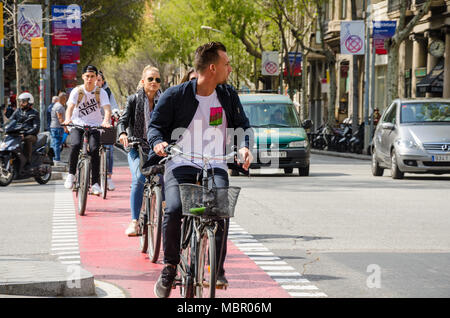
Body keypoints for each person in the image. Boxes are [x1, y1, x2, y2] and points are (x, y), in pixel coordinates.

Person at [148, 42, 253, 298]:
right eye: (227, 64)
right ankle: (170, 266)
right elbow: (155, 127)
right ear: (213, 67)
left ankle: (216, 268)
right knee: (173, 209)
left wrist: (244, 148)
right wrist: (158, 142)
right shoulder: (175, 95)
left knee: (220, 209)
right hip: (181, 162)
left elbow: (242, 125)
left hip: (215, 163)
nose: (230, 68)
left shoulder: (227, 95)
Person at [118, 65, 163, 236]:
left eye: (157, 79)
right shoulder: (133, 100)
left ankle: (163, 211)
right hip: (136, 147)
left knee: (166, 176)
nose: (154, 82)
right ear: (143, 81)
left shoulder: (164, 100)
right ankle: (135, 221)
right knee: (139, 178)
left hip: (157, 147)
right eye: (150, 79)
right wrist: (123, 133)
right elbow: (122, 121)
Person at [63, 65, 112, 195]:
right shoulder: (77, 91)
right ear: (83, 77)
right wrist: (68, 119)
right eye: (87, 76)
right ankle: (71, 174)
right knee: (75, 145)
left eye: (92, 76)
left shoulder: (101, 92)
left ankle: (95, 183)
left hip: (95, 125)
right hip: (78, 124)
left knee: (95, 149)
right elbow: (70, 108)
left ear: (96, 78)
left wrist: (106, 121)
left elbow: (107, 109)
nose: (89, 79)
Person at [96, 71, 119, 191]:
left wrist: (115, 112)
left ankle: (108, 177)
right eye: (95, 79)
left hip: (106, 124)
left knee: (109, 150)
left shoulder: (107, 92)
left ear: (103, 82)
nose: (96, 82)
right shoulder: (87, 91)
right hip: (92, 124)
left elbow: (114, 106)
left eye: (99, 80)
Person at [9, 92, 40, 168]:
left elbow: (36, 128)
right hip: (18, 133)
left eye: (23, 101)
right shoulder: (17, 111)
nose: (21, 103)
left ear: (29, 102)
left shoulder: (34, 113)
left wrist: (25, 133)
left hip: (30, 135)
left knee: (27, 139)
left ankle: (27, 162)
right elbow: (10, 121)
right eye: (20, 101)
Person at [50, 92, 67, 166]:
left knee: (54, 143)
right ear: (63, 98)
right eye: (65, 98)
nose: (66, 100)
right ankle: (57, 159)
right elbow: (60, 118)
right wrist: (65, 127)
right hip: (57, 127)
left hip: (54, 126)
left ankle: (54, 158)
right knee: (57, 144)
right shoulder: (59, 106)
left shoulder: (56, 105)